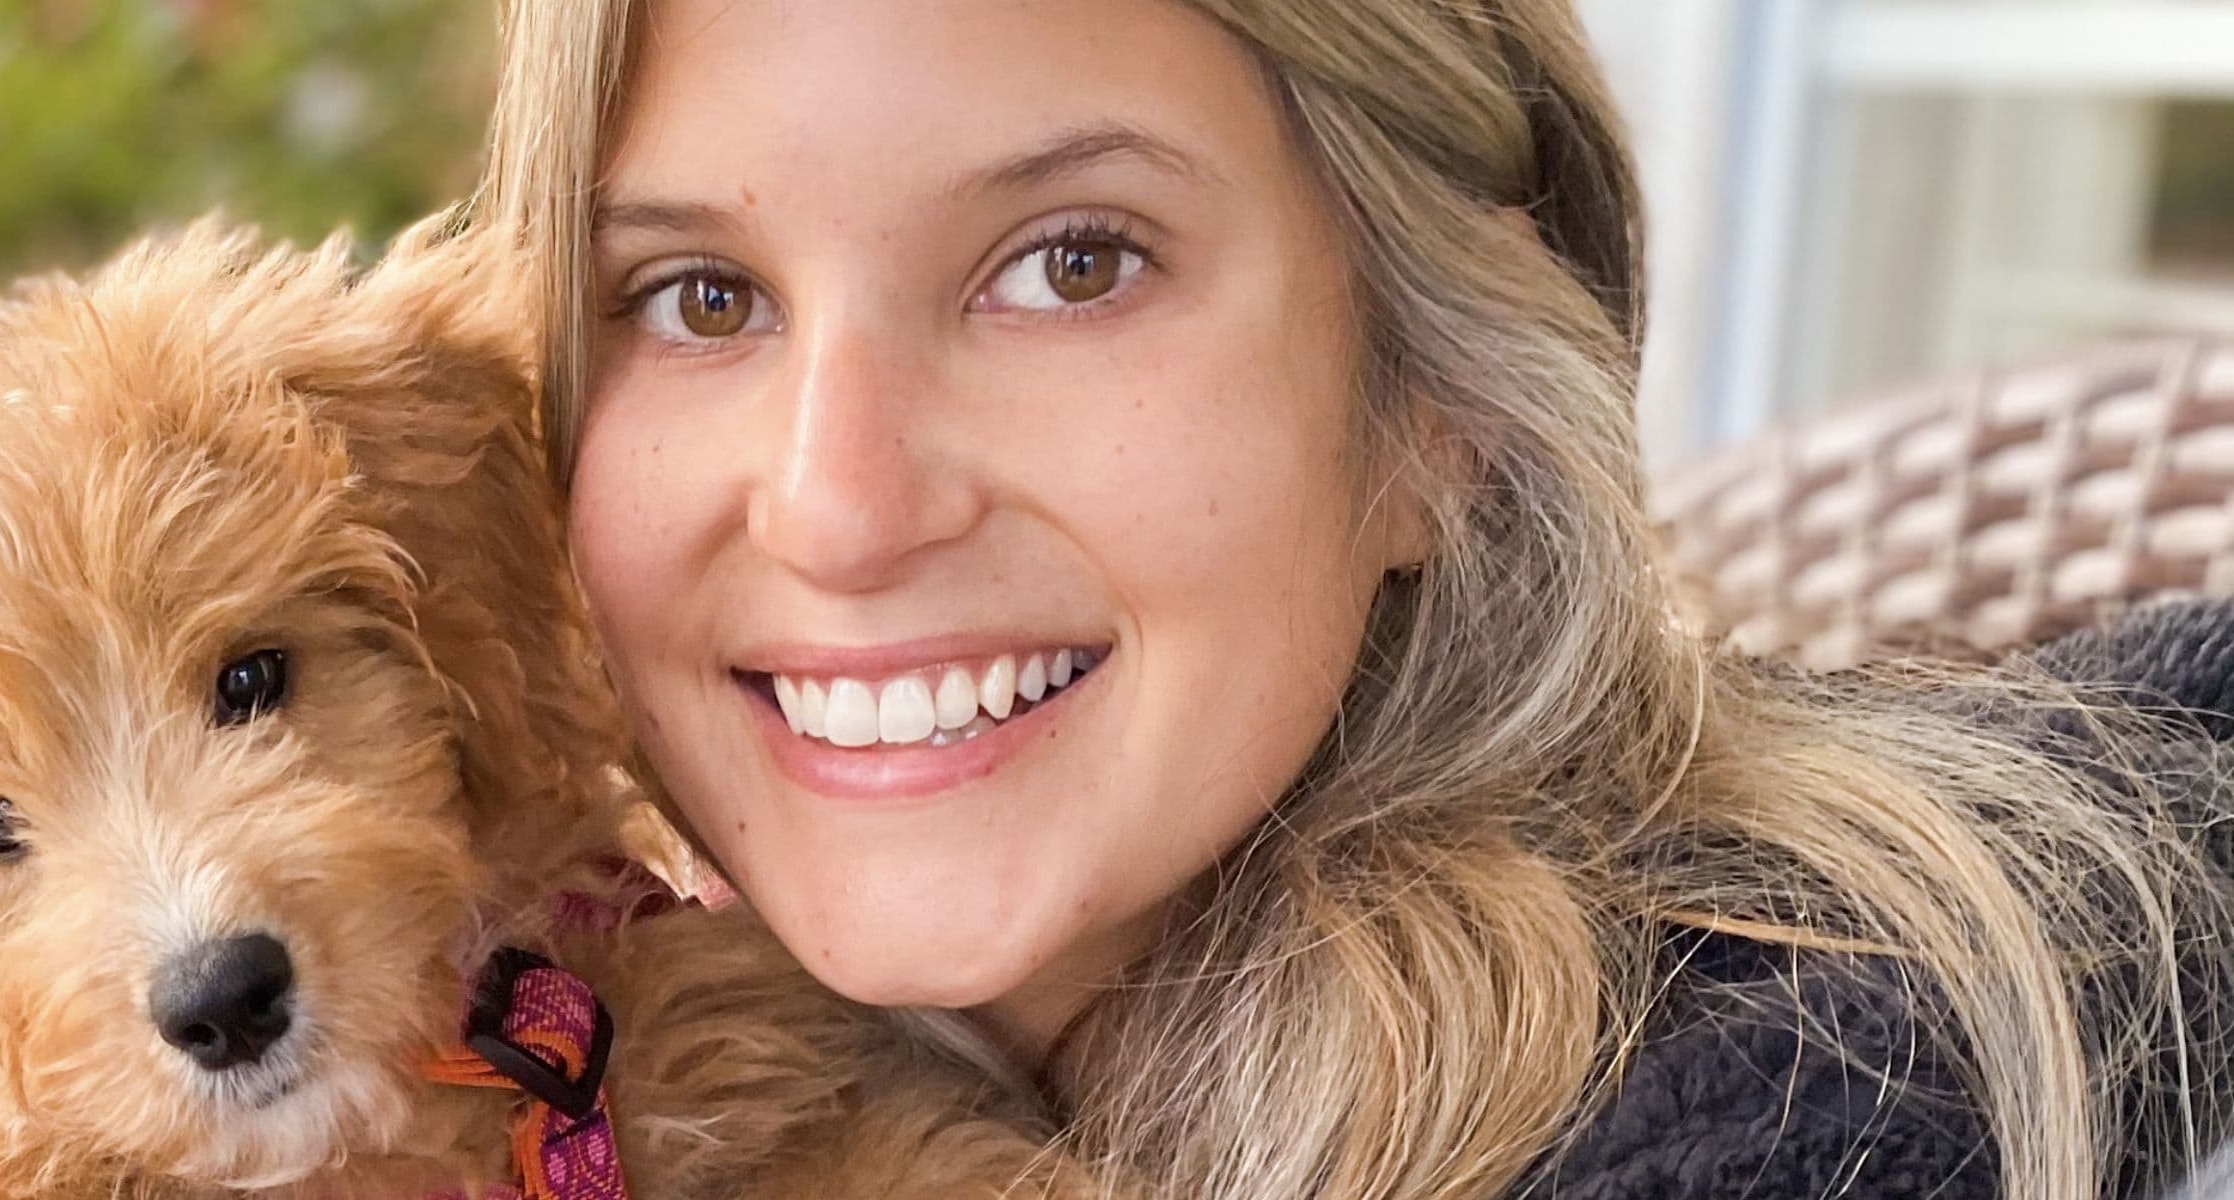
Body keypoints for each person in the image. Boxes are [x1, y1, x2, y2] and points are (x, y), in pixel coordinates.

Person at [476, 1, 2234, 1196]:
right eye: (700, 298)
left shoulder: (1778, 1102)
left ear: (1436, 394)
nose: (840, 510)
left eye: (1072, 264)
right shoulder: (551, 1040)